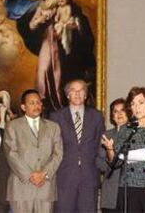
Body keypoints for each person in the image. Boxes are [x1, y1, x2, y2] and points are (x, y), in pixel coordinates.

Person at [4, 89, 63, 213]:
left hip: (45, 187)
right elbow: (11, 153)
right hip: (21, 187)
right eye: (32, 103)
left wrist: (43, 174)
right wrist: (30, 176)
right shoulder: (12, 126)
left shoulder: (53, 127)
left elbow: (58, 154)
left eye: (38, 102)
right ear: (23, 107)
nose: (37, 106)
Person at [50, 79, 104, 213]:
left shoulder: (96, 116)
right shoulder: (56, 117)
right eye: (73, 90)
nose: (77, 93)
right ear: (67, 95)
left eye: (81, 90)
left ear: (85, 95)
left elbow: (100, 145)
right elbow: (51, 147)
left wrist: (99, 169)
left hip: (89, 176)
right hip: (65, 176)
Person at [97, 98, 128, 213]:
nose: (119, 114)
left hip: (129, 189)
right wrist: (110, 165)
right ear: (112, 115)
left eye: (122, 110)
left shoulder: (136, 134)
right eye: (115, 111)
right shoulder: (106, 135)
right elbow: (99, 161)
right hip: (110, 189)